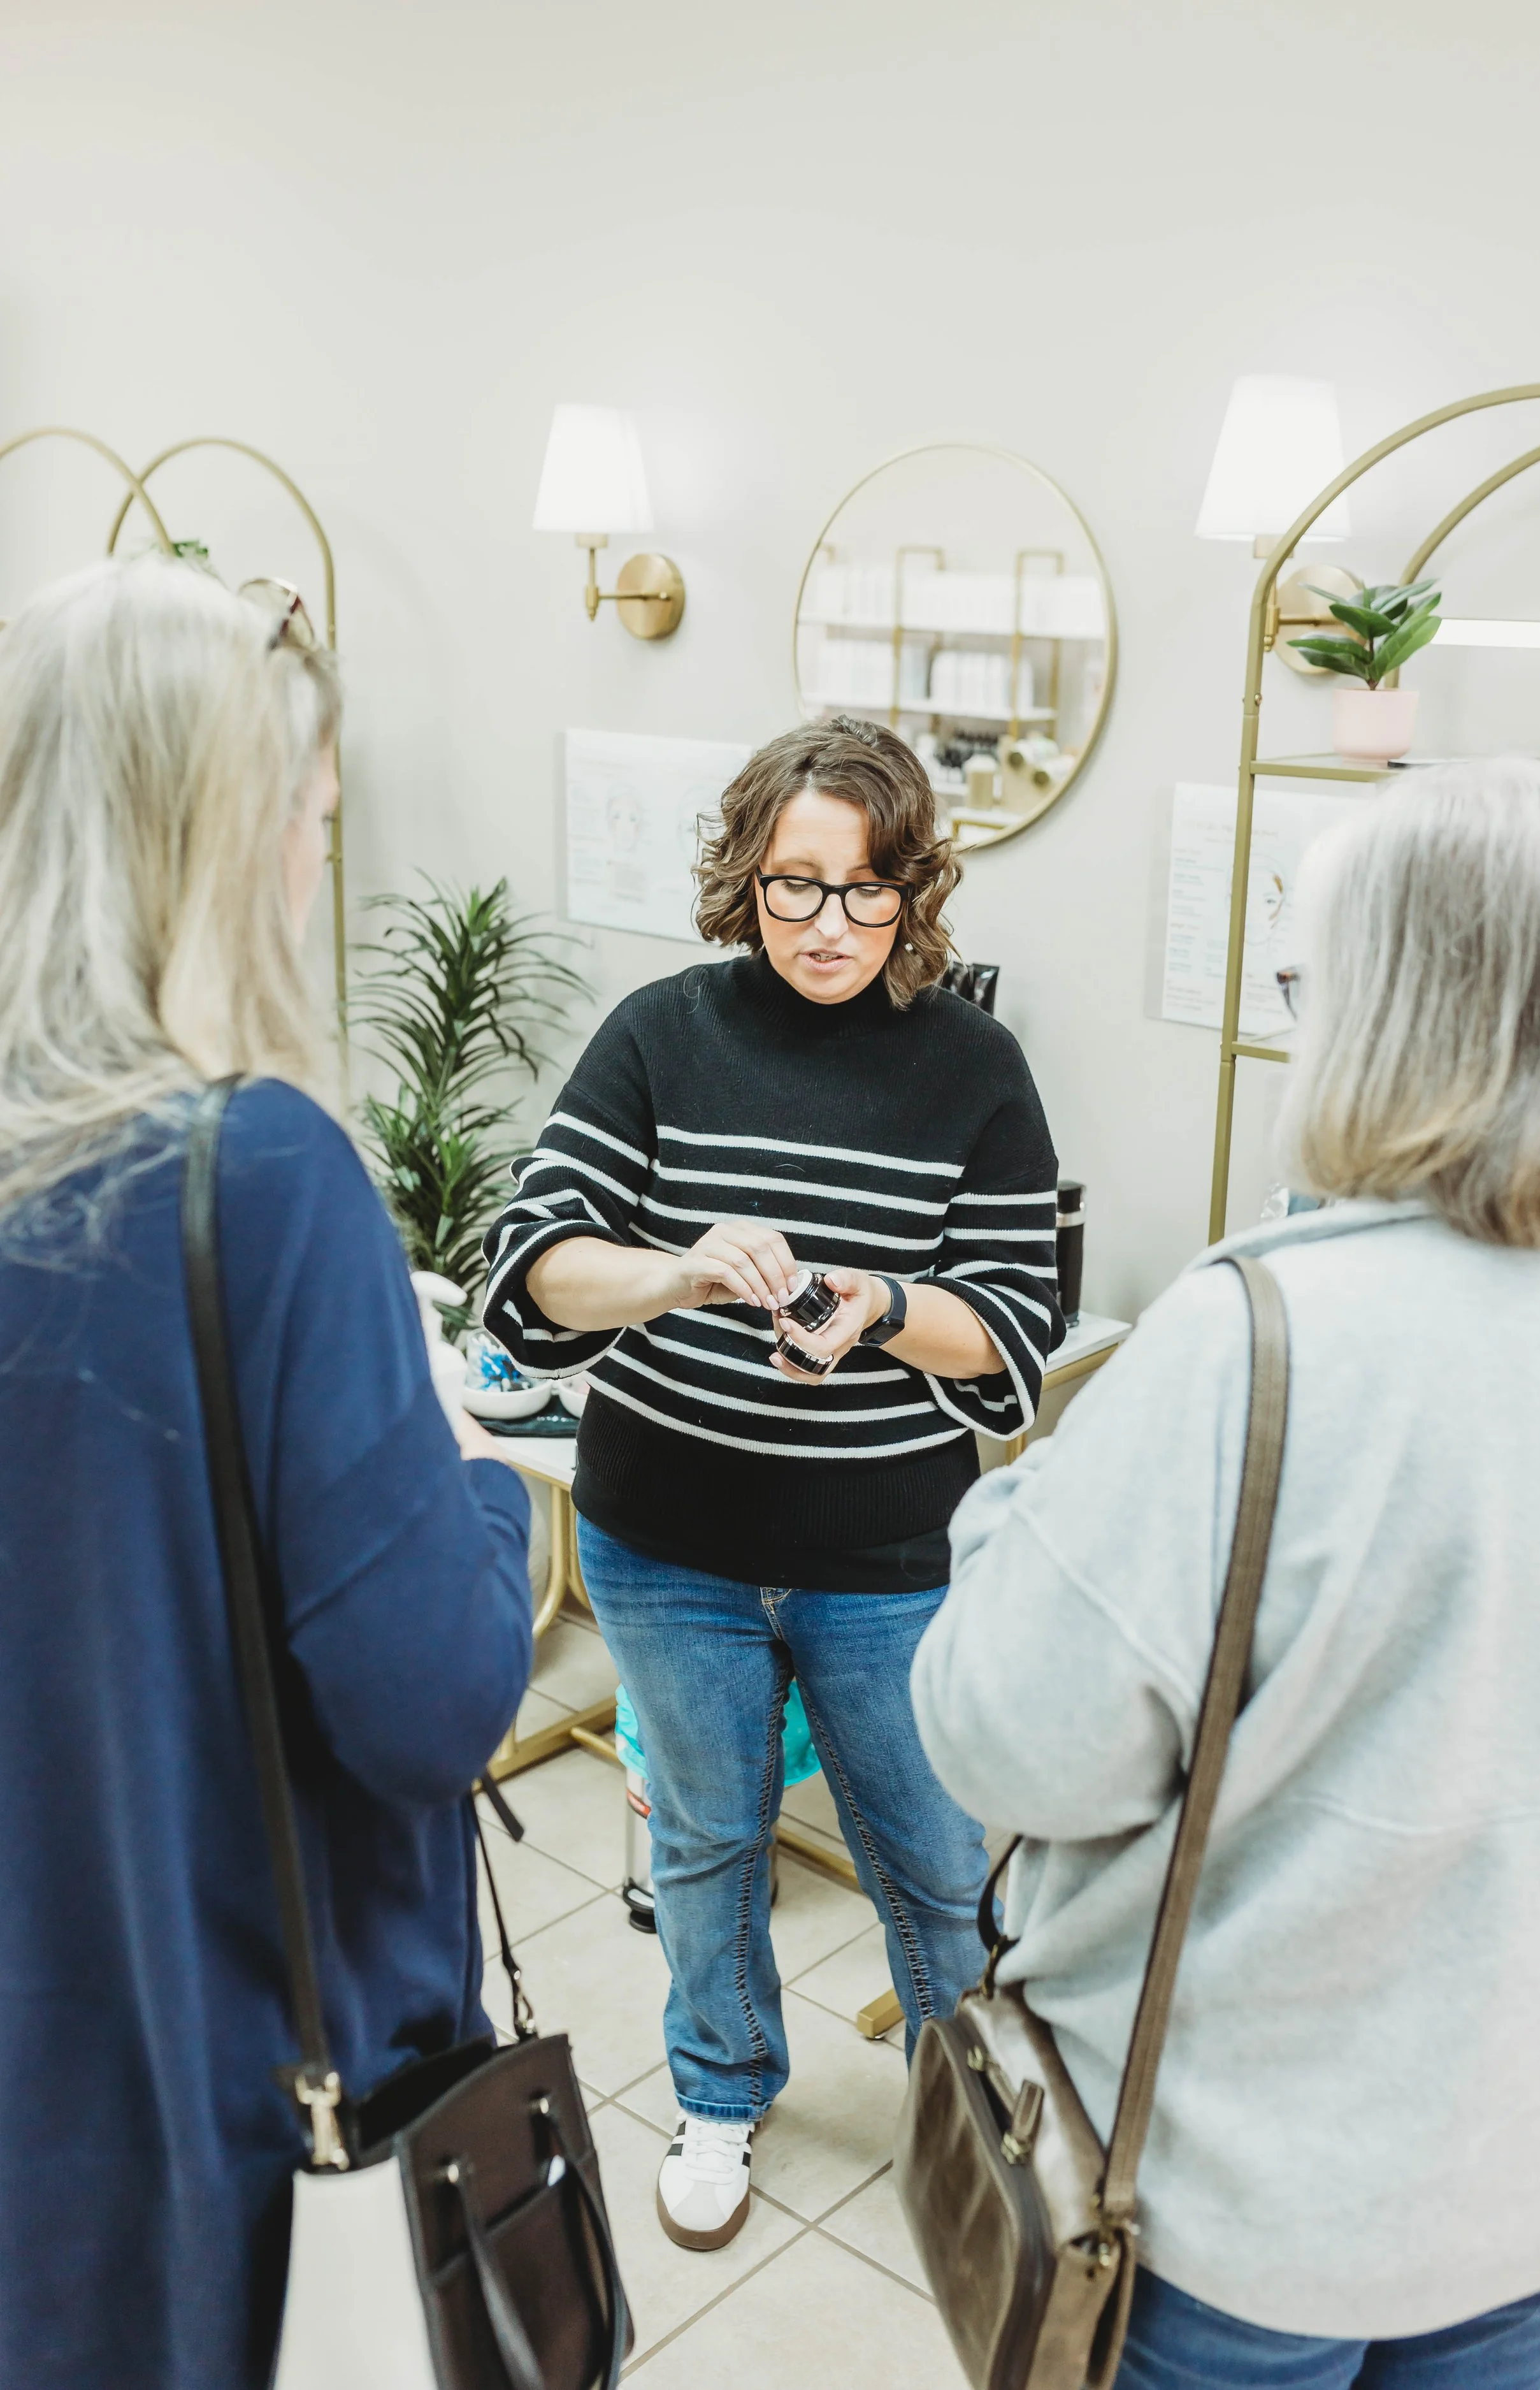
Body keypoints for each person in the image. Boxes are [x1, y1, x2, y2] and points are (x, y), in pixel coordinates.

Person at [912, 755, 1540, 2388]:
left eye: (1306, 977)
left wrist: (1004, 1518)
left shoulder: (1258, 1337)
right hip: (1525, 2188)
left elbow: (1011, 1742)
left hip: (1236, 2211)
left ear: (1383, 1011)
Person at [0, 558, 533, 2390]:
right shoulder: (255, 1177)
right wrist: (478, 1478)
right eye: (307, 821)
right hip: (227, 2084)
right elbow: (429, 1702)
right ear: (215, 841)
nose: (320, 866)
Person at [482, 717, 1062, 2250]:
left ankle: (974, 2125)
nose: (827, 925)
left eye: (866, 892)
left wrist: (875, 1307)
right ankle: (722, 2091)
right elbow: (535, 1266)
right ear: (742, 878)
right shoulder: (662, 1032)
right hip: (663, 1544)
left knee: (932, 1866)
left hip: (881, 1553)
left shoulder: (973, 1067)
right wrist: (675, 1276)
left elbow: (1015, 1324)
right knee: (706, 1839)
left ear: (914, 892)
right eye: (793, 887)